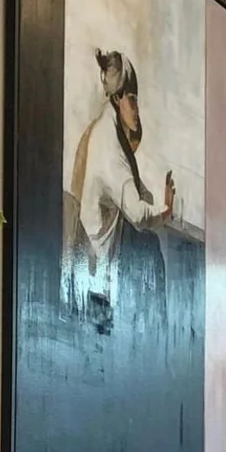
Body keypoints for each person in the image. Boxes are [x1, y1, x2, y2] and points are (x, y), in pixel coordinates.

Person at [66, 48, 175, 329]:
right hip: (95, 265)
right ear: (117, 98)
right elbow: (137, 213)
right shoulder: (110, 148)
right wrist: (166, 210)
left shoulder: (103, 128)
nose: (136, 110)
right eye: (132, 99)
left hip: (90, 254)